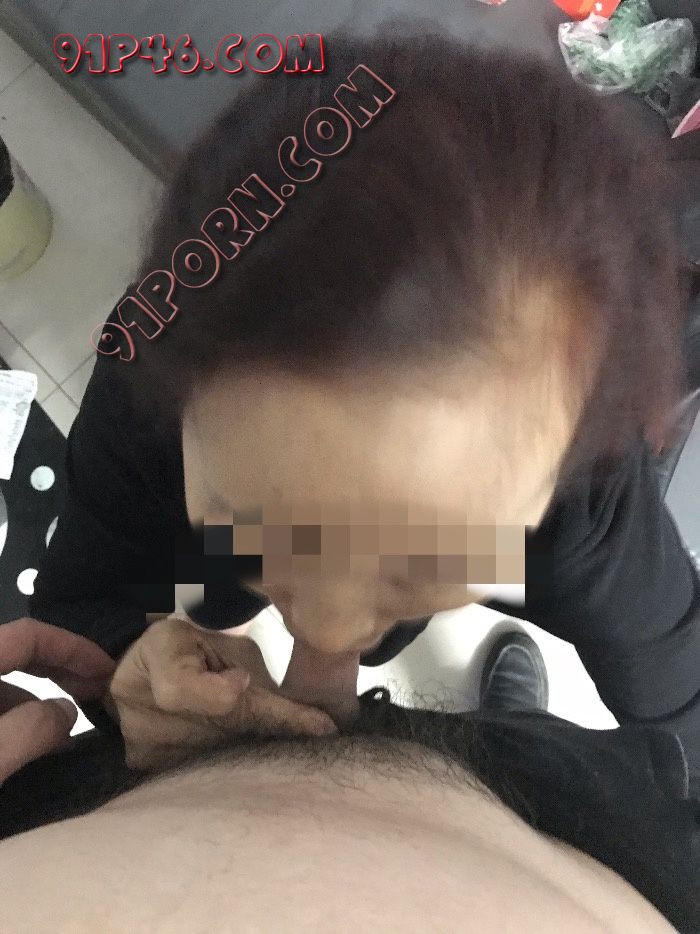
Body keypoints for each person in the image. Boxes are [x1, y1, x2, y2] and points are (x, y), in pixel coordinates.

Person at [1, 24, 698, 916]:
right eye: (260, 520)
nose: (325, 649)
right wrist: (133, 668)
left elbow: (681, 691)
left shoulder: (580, 511)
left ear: (560, 470)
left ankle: (508, 723)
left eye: (418, 561)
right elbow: (79, 604)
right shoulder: (148, 379)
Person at [1, 627, 698, 931]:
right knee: (534, 748)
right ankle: (511, 719)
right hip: (594, 839)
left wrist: (127, 676)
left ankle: (507, 721)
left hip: (110, 788)